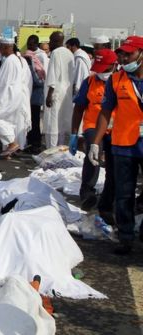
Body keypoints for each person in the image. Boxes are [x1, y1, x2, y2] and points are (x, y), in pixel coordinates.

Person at [88, 36, 143, 255]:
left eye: (128, 54)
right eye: (121, 54)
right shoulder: (116, 80)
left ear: (140, 54)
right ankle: (126, 236)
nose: (123, 57)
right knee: (124, 193)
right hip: (123, 145)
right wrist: (95, 142)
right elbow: (105, 112)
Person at [70, 48, 117, 211]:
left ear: (114, 65)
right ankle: (87, 194)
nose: (100, 72)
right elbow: (79, 108)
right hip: (93, 126)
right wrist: (74, 134)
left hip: (116, 128)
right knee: (93, 154)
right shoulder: (89, 82)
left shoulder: (121, 82)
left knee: (114, 162)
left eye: (104, 69)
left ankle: (110, 196)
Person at [0, 38, 32, 158]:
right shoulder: (18, 59)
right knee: (9, 122)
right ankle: (8, 150)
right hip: (17, 96)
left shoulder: (10, 61)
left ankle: (12, 143)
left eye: (1, 47)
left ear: (6, 47)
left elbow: (3, 83)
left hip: (7, 96)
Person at [44, 31, 74, 148]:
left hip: (55, 92)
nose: (49, 43)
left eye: (51, 41)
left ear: (56, 41)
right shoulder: (69, 53)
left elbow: (53, 75)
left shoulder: (55, 53)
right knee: (61, 123)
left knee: (52, 123)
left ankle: (51, 151)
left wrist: (49, 95)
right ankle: (60, 150)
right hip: (66, 92)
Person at [24, 35, 47, 151]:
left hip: (37, 91)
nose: (30, 46)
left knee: (35, 119)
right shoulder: (29, 55)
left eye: (32, 44)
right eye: (28, 44)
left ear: (36, 45)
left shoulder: (41, 56)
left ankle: (36, 143)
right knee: (30, 118)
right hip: (30, 91)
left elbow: (43, 74)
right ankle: (31, 141)